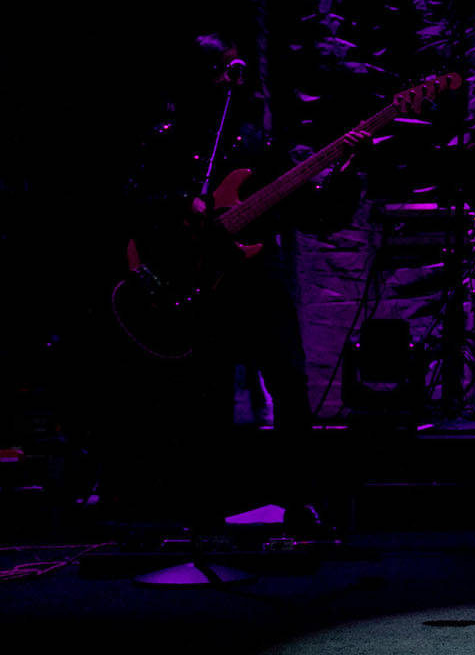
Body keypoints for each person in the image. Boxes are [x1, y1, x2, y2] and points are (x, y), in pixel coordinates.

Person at [104, 33, 368, 533]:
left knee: (288, 385)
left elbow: (316, 215)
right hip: (198, 282)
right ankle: (203, 508)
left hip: (258, 279)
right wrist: (185, 202)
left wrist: (348, 171)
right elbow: (130, 201)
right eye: (222, 69)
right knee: (206, 392)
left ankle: (298, 502)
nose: (233, 77)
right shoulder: (167, 140)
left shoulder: (259, 144)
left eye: (233, 68)